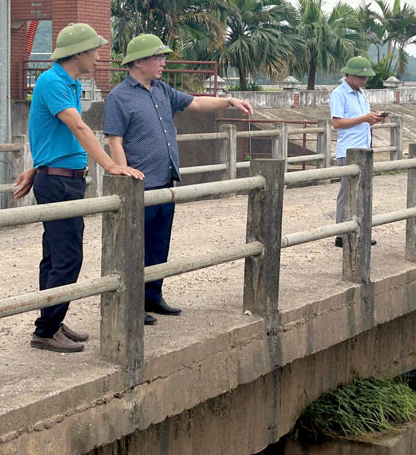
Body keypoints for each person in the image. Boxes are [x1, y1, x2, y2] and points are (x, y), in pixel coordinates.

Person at [103, 34, 253, 325]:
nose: (163, 62)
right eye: (158, 57)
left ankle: (152, 295)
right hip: (139, 187)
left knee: (159, 244)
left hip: (164, 182)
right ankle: (131, 304)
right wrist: (123, 175)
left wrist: (229, 101)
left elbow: (195, 103)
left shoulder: (162, 90)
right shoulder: (119, 97)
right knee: (135, 248)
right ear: (139, 62)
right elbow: (115, 140)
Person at [13, 23, 144, 353]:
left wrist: (37, 168)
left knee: (54, 256)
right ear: (79, 54)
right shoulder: (53, 82)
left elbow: (51, 134)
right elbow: (79, 128)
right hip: (59, 182)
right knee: (68, 258)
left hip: (59, 177)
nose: (98, 57)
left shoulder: (67, 83)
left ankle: (51, 321)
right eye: (94, 51)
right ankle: (46, 330)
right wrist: (111, 166)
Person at [329, 56, 388, 248]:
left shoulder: (361, 95)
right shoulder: (339, 94)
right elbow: (337, 123)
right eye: (361, 77)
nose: (364, 80)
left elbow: (361, 122)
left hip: (363, 149)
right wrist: (364, 118)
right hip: (348, 150)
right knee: (347, 192)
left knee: (362, 192)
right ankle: (341, 233)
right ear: (350, 75)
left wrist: (374, 119)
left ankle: (359, 230)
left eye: (366, 77)